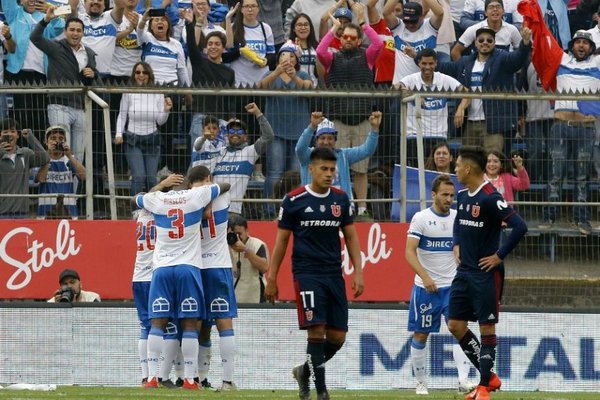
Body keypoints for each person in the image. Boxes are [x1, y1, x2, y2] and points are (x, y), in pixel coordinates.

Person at [265, 147, 365, 400]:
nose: (329, 174)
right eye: (324, 169)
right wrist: (272, 277)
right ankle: (321, 392)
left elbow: (351, 236)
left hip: (333, 273)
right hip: (306, 273)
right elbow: (281, 243)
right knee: (316, 330)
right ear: (311, 169)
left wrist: (358, 271)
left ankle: (303, 372)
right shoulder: (294, 200)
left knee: (338, 336)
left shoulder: (341, 199)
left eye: (333, 169)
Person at [133, 165, 230, 390]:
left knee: (156, 323)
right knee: (189, 323)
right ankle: (189, 379)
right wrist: (205, 199)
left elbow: (135, 200)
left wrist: (162, 187)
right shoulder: (197, 195)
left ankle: (152, 378)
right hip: (189, 266)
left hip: (162, 268)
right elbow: (224, 186)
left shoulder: (156, 199)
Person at [448, 145, 527, 400]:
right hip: (464, 273)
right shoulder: (462, 195)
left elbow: (519, 226)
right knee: (455, 325)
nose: (455, 169)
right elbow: (459, 222)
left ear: (468, 168)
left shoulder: (491, 197)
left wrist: (499, 256)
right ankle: (489, 377)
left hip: (485, 274)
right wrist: (457, 243)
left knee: (487, 330)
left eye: (458, 165)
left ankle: (483, 388)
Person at [405, 174, 475, 395]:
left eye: (452, 195)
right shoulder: (421, 218)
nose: (449, 199)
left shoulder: (458, 217)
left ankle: (464, 380)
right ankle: (421, 383)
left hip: (454, 287)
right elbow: (408, 252)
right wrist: (425, 277)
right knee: (420, 334)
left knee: (460, 330)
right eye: (444, 194)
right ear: (433, 195)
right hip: (426, 288)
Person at [317, 6, 384, 221]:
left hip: (362, 119)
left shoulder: (367, 56)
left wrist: (363, 22)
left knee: (361, 168)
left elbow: (379, 43)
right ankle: (343, 204)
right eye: (344, 36)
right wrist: (333, 29)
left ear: (357, 41)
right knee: (339, 167)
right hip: (338, 121)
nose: (347, 39)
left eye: (351, 37)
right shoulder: (332, 58)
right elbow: (319, 51)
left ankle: (362, 209)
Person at [535, 30, 599, 235]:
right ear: (572, 45)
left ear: (591, 47)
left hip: (586, 128)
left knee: (582, 176)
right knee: (555, 174)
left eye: (585, 43)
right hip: (561, 127)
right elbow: (543, 44)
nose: (581, 46)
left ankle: (581, 219)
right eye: (578, 42)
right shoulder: (560, 58)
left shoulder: (597, 63)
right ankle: (549, 216)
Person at [438, 26, 531, 154]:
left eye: (489, 40)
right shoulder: (465, 62)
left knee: (492, 162)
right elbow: (443, 67)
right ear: (475, 43)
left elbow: (518, 59)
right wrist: (417, 56)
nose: (485, 42)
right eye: (481, 40)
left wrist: (525, 43)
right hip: (469, 123)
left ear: (494, 43)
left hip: (493, 125)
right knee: (469, 164)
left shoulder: (502, 58)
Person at [30, 11, 98, 164]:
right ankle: (59, 185)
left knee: (78, 156)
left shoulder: (89, 52)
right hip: (59, 105)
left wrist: (93, 73)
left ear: (83, 33)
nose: (75, 33)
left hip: (81, 107)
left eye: (79, 30)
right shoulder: (55, 47)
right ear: (65, 31)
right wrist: (45, 20)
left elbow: (95, 78)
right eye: (72, 30)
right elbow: (35, 38)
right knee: (60, 150)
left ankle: (74, 188)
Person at [259, 41, 313, 218]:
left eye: (291, 56)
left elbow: (309, 88)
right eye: (284, 55)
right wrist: (277, 72)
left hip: (299, 132)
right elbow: (260, 87)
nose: (287, 59)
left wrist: (294, 77)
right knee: (275, 171)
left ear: (296, 60)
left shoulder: (303, 74)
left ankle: (295, 210)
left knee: (295, 174)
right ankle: (269, 210)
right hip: (276, 131)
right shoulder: (271, 74)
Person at [295, 111, 381, 215]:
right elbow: (299, 148)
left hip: (341, 208)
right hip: (312, 207)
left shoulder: (343, 155)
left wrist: (375, 129)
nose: (326, 142)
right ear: (316, 140)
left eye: (330, 138)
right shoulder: (308, 156)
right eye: (322, 138)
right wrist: (312, 126)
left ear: (335, 141)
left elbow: (367, 150)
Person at [196, 185, 238, 391]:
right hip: (219, 267)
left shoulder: (189, 201)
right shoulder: (222, 198)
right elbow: (226, 185)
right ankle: (227, 381)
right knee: (224, 323)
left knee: (199, 326)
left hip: (197, 267)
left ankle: (198, 378)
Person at [197, 103, 274, 215]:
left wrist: (258, 113)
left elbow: (269, 136)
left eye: (240, 131)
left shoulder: (250, 152)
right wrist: (204, 137)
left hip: (233, 211)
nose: (235, 134)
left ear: (246, 136)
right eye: (232, 131)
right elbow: (199, 148)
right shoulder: (219, 151)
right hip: (212, 210)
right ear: (227, 135)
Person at [396, 48, 468, 167]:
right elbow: (396, 87)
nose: (427, 67)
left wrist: (461, 109)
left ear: (436, 63)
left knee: (438, 174)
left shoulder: (444, 79)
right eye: (424, 63)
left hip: (439, 135)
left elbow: (467, 93)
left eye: (430, 63)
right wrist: (412, 94)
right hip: (415, 135)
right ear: (418, 63)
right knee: (418, 173)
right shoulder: (412, 79)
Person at [115, 62, 173, 196]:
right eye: (138, 72)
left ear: (149, 75)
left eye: (144, 72)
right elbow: (122, 115)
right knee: (139, 176)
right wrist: (119, 133)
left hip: (152, 138)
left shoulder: (158, 92)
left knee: (151, 179)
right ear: (134, 75)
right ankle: (136, 209)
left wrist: (166, 110)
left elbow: (160, 121)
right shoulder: (128, 92)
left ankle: (153, 209)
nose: (141, 75)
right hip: (132, 139)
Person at [0, 118, 50, 219]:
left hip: (22, 213)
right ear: (0, 135)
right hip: (1, 213)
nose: (9, 134)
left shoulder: (25, 153)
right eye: (5, 132)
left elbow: (45, 159)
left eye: (13, 131)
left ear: (18, 135)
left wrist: (31, 139)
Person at [36, 125, 86, 219]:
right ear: (46, 142)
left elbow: (84, 177)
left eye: (61, 138)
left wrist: (70, 156)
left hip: (69, 213)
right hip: (45, 213)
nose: (57, 141)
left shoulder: (69, 160)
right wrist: (48, 156)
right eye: (53, 138)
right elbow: (41, 179)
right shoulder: (42, 160)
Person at [452, 0, 522, 60]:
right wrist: (463, 72)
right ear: (485, 12)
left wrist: (514, 70)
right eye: (491, 7)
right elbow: (455, 52)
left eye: (498, 7)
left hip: (504, 71)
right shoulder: (474, 29)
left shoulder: (512, 30)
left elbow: (521, 53)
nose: (495, 10)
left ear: (503, 11)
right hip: (479, 72)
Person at [227, 214, 269, 303]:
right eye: (233, 234)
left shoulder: (257, 244)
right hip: (232, 298)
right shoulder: (223, 246)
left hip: (255, 298)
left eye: (239, 234)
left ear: (247, 231)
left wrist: (245, 250)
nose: (237, 238)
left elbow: (264, 267)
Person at [288, 13, 319, 86]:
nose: (303, 27)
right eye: (299, 25)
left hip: (314, 89)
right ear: (293, 29)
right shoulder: (288, 46)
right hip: (294, 88)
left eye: (306, 25)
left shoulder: (316, 46)